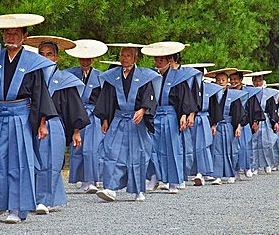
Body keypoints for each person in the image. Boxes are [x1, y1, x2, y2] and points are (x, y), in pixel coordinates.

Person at [0, 14, 58, 223]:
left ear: (25, 36)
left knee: (18, 162)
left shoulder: (33, 63)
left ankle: (16, 208)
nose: (11, 36)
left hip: (20, 116)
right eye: (7, 32)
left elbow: (40, 93)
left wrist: (42, 123)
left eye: (16, 32)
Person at [25, 36, 90, 214]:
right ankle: (30, 198)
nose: (45, 57)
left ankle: (43, 200)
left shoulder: (64, 79)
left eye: (49, 54)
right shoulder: (30, 75)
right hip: (29, 123)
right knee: (30, 162)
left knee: (50, 162)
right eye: (42, 54)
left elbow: (73, 107)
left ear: (56, 58)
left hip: (53, 125)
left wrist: (76, 131)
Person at [94, 44, 161, 202]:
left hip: (136, 120)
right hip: (117, 119)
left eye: (128, 56)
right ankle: (111, 188)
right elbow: (106, 100)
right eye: (122, 55)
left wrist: (143, 110)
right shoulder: (112, 76)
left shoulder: (145, 76)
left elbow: (149, 96)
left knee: (137, 154)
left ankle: (139, 190)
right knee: (111, 152)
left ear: (135, 58)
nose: (124, 58)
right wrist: (105, 119)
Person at [141, 42, 198, 194]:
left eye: (161, 60)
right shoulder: (151, 75)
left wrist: (184, 115)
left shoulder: (178, 77)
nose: (158, 62)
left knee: (172, 148)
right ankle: (153, 177)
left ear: (169, 60)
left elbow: (184, 98)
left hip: (170, 115)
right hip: (154, 115)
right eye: (156, 60)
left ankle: (173, 181)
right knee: (152, 148)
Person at [65, 39, 108, 193]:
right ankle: (81, 179)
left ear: (93, 59)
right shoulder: (70, 74)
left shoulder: (101, 76)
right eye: (82, 58)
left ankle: (92, 179)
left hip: (93, 114)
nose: (85, 61)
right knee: (77, 147)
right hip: (76, 114)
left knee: (92, 148)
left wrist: (105, 119)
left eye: (88, 58)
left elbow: (104, 100)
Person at [182, 63, 224, 186]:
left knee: (201, 147)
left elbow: (214, 107)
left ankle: (201, 173)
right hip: (187, 120)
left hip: (202, 119)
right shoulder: (185, 85)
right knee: (188, 147)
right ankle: (186, 173)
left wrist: (214, 124)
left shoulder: (209, 88)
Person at [204, 68, 247, 185]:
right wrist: (213, 124)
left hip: (229, 125)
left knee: (231, 150)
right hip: (217, 125)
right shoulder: (212, 94)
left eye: (223, 80)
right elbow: (211, 110)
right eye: (218, 80)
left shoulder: (233, 94)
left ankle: (231, 174)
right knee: (216, 150)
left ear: (227, 81)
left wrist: (238, 126)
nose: (220, 82)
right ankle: (217, 176)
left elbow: (239, 111)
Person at [229, 70, 265, 177]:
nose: (233, 81)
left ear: (241, 80)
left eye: (236, 79)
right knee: (234, 147)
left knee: (245, 146)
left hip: (245, 123)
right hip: (232, 123)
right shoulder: (229, 92)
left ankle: (247, 166)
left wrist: (255, 121)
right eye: (231, 79)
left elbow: (255, 108)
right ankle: (234, 170)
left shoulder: (249, 92)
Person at [245, 71, 279, 174]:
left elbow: (273, 108)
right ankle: (254, 166)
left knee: (266, 143)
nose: (258, 82)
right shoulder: (250, 92)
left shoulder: (268, 93)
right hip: (253, 119)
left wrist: (275, 121)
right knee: (253, 144)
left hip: (265, 120)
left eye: (260, 80)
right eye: (255, 80)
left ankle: (267, 164)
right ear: (253, 82)